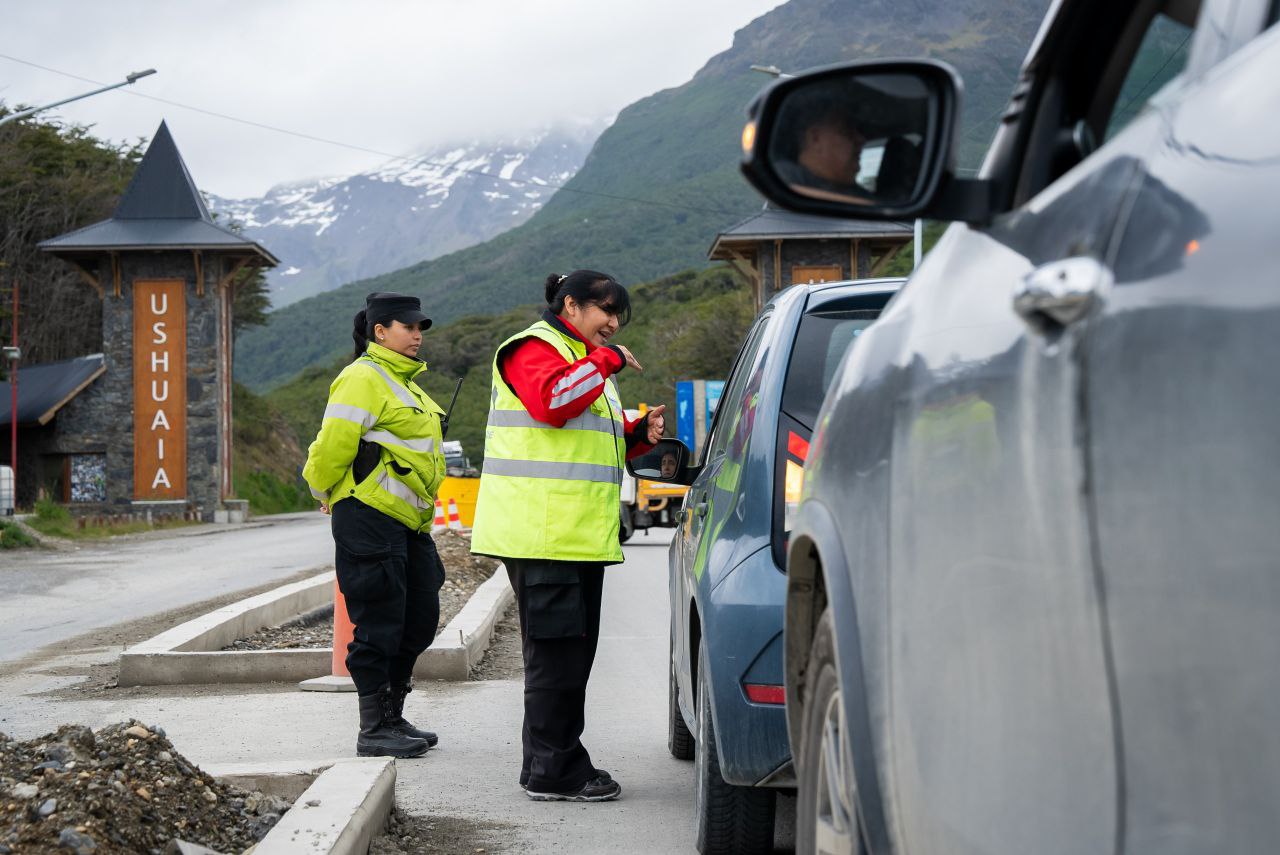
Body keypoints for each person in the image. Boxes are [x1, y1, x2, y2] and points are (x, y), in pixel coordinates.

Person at [471, 269, 665, 803]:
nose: (614, 323)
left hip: (569, 536)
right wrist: (608, 359)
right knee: (557, 659)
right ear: (572, 305)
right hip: (544, 534)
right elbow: (553, 403)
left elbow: (581, 442)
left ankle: (550, 764)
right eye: (606, 311)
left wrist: (632, 434)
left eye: (618, 316)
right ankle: (554, 771)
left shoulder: (576, 358)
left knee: (568, 658)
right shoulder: (534, 347)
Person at [302, 291, 448, 759]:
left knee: (419, 618)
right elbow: (331, 446)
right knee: (380, 621)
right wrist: (324, 490)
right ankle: (374, 728)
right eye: (408, 326)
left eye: (420, 327)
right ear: (380, 331)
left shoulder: (408, 385)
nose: (417, 335)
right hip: (368, 517)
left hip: (408, 522)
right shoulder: (362, 378)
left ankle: (394, 715)